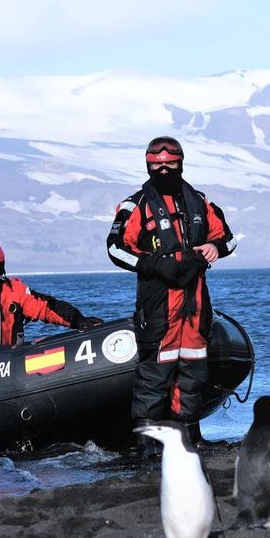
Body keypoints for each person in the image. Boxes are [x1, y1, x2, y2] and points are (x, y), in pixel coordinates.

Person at [106, 136, 235, 436]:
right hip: (158, 299)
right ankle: (148, 443)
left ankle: (190, 435)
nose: (164, 169)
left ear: (181, 163)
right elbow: (115, 247)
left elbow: (228, 237)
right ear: (149, 165)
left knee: (193, 368)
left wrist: (215, 247)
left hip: (195, 299)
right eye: (157, 165)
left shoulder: (200, 201)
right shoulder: (135, 205)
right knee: (155, 372)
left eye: (170, 164)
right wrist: (153, 264)